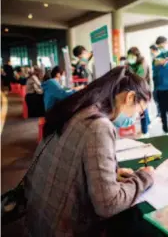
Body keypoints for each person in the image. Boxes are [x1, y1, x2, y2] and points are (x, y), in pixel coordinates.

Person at [25, 67, 154, 236]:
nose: (136, 118)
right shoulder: (99, 126)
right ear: (130, 97)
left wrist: (111, 174)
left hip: (39, 221)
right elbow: (108, 204)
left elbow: (72, 165)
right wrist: (145, 177)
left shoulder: (78, 109)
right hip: (63, 228)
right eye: (140, 112)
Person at [127, 47, 151, 136]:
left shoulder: (142, 65)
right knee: (144, 109)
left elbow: (139, 79)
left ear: (137, 56)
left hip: (142, 89)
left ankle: (145, 132)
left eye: (132, 56)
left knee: (142, 110)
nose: (130, 58)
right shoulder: (131, 64)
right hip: (136, 88)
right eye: (129, 56)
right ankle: (148, 124)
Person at [149, 44, 161, 117]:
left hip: (160, 82)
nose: (151, 53)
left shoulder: (159, 58)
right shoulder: (154, 59)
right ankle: (159, 112)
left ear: (155, 50)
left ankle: (161, 112)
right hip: (156, 81)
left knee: (159, 97)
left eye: (151, 51)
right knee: (156, 97)